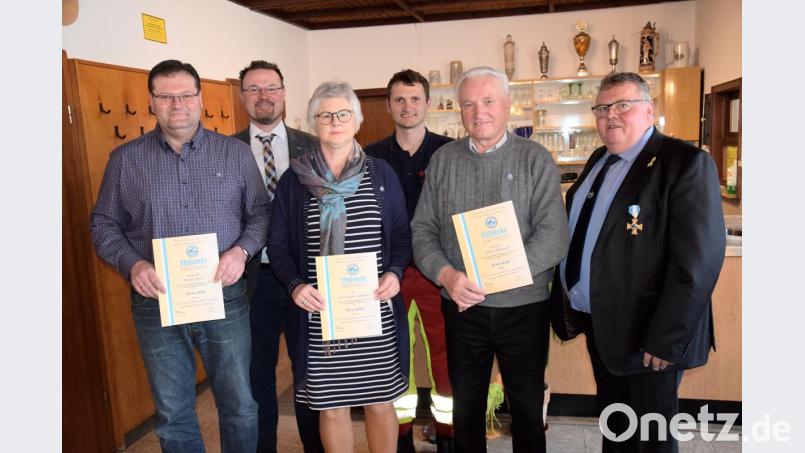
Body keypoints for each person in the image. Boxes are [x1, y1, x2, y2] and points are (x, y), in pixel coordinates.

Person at [90, 59, 268, 452]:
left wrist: (241, 251)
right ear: (151, 101)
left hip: (223, 297)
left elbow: (259, 213)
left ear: (200, 98)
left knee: (239, 404)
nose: (177, 104)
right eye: (166, 96)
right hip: (157, 301)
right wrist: (132, 264)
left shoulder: (235, 155)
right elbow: (102, 224)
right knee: (173, 413)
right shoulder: (125, 160)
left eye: (186, 94)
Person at [549, 72, 725, 453]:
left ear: (649, 110)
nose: (611, 115)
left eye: (623, 105)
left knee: (652, 439)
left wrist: (666, 338)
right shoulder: (600, 159)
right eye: (602, 108)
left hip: (650, 335)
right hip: (604, 327)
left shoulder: (684, 163)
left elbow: (697, 263)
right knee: (616, 428)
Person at [411, 66, 568, 453]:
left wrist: (494, 276)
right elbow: (423, 230)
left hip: (525, 309)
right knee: (466, 412)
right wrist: (447, 276)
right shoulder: (443, 161)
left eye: (488, 101)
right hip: (463, 309)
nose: (478, 112)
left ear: (508, 105)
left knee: (528, 412)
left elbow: (553, 236)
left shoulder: (536, 159)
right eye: (468, 104)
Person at [266, 80, 412, 453]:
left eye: (343, 113)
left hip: (372, 309)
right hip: (321, 315)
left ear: (357, 120)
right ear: (313, 122)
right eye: (325, 114)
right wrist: (296, 285)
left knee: (380, 402)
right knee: (331, 408)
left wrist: (394, 273)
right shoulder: (293, 181)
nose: (335, 121)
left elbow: (400, 235)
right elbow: (278, 245)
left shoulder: (381, 175)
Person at [233, 60, 323, 453]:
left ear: (284, 93)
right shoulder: (224, 150)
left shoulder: (314, 146)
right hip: (251, 280)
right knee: (258, 374)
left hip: (305, 278)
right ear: (242, 97)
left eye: (270, 87)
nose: (263, 96)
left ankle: (315, 446)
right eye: (254, 89)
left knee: (308, 370)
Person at [364, 69, 455, 453]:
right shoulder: (369, 156)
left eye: (415, 98)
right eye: (399, 99)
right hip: (388, 276)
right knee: (392, 357)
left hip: (439, 272)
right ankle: (398, 437)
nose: (407, 106)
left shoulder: (450, 151)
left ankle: (448, 436)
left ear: (428, 103)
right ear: (388, 106)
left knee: (445, 359)